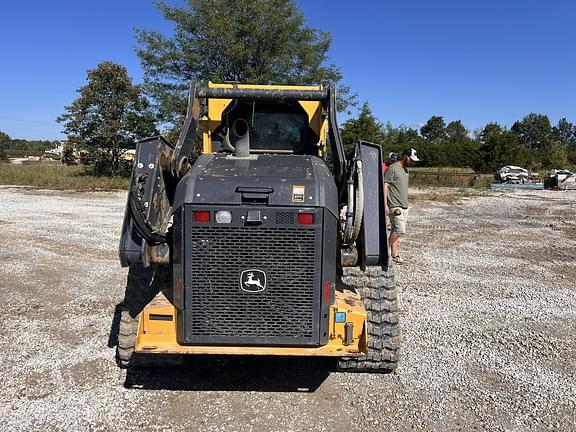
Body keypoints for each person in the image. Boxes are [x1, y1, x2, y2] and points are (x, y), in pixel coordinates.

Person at [384, 147, 419, 264]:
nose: (413, 162)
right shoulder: (392, 169)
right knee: (400, 230)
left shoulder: (405, 170)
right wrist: (385, 205)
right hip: (395, 205)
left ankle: (394, 254)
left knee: (394, 229)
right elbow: (386, 186)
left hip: (404, 205)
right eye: (411, 159)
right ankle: (385, 250)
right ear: (405, 156)